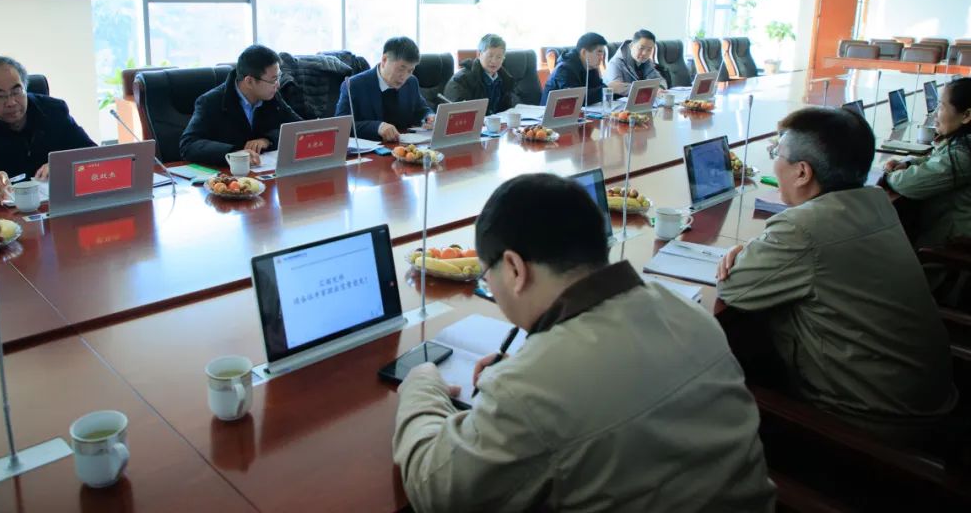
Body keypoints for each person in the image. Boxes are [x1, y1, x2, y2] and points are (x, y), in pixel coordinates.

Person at [393, 173, 776, 512]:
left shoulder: (532, 389)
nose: (488, 283)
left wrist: (422, 386)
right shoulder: (687, 311)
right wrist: (521, 380)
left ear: (513, 268)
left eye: (485, 274)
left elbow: (435, 491)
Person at [717, 107, 956, 444]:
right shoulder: (876, 201)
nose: (774, 162)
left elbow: (734, 289)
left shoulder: (802, 229)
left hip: (872, 425)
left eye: (776, 154)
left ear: (802, 172)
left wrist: (749, 252)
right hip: (927, 398)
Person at [0, 56, 95, 200]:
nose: (11, 102)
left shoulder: (53, 110)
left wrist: (63, 163)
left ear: (25, 87)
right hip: (0, 208)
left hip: (52, 203)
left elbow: (92, 152)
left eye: (17, 92)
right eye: (0, 95)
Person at [883, 78, 971, 255]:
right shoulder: (962, 144)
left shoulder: (963, 155)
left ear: (966, 115)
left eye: (942, 107)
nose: (935, 114)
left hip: (953, 247)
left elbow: (908, 184)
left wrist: (889, 174)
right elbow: (937, 159)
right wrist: (908, 163)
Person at [180, 44, 300, 167]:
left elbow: (300, 128)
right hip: (226, 174)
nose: (278, 85)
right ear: (249, 81)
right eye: (273, 80)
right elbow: (188, 145)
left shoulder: (272, 96)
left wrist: (268, 140)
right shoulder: (210, 101)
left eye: (278, 77)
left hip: (259, 171)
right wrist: (233, 153)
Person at [335, 36, 433, 142]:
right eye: (401, 68)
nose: (404, 76)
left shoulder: (411, 82)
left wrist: (429, 117)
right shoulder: (353, 85)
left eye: (410, 71)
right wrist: (377, 127)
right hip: (371, 149)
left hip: (404, 147)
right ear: (384, 60)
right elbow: (341, 126)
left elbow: (421, 110)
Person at [442, 34, 519, 114]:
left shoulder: (506, 80)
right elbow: (456, 113)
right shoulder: (460, 80)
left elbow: (509, 110)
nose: (494, 61)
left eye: (499, 57)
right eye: (490, 56)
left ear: (503, 58)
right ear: (479, 54)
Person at [540, 32, 609, 106]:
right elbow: (575, 99)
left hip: (576, 111)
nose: (601, 58)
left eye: (602, 53)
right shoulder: (565, 69)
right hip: (549, 112)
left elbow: (597, 89)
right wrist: (607, 89)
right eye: (599, 53)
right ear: (584, 52)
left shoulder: (591, 67)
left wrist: (615, 90)